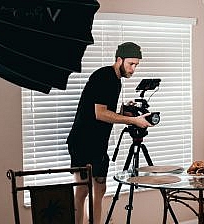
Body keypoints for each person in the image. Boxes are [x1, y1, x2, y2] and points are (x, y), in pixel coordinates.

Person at [66, 42, 153, 224]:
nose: (133, 69)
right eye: (131, 64)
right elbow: (100, 114)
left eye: (136, 65)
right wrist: (133, 120)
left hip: (98, 143)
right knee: (82, 190)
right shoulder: (103, 76)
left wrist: (125, 112)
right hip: (82, 141)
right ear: (119, 60)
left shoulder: (116, 81)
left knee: (100, 189)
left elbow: (107, 111)